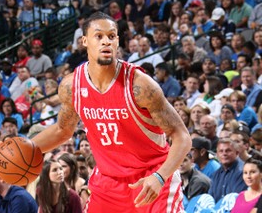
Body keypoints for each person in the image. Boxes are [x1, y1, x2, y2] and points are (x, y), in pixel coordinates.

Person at [32, 12, 192, 212]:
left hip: (151, 176)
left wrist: (160, 176)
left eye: (111, 36)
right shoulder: (71, 86)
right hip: (108, 182)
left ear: (117, 41)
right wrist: (26, 148)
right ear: (84, 41)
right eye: (98, 36)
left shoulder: (139, 85)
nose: (106, 42)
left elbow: (182, 136)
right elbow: (62, 131)